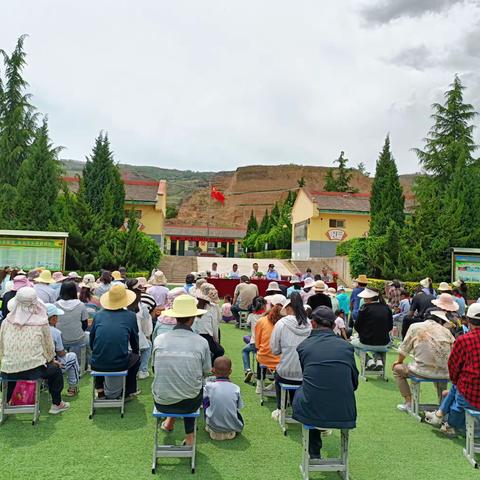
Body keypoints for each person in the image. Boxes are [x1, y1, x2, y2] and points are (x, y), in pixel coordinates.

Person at [293, 306, 358, 460]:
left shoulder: (304, 347)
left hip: (312, 408)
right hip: (345, 411)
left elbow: (307, 378)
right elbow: (354, 383)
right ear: (334, 325)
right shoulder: (346, 347)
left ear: (313, 324)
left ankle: (314, 452)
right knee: (315, 392)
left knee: (307, 392)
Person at [152, 294, 211, 446]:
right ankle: (190, 435)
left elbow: (154, 369)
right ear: (192, 318)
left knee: (181, 382)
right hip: (189, 402)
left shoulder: (160, 339)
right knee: (193, 386)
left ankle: (169, 421)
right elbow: (206, 371)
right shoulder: (201, 342)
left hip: (162, 401)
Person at [0, 287, 70, 414]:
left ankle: (4, 402)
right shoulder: (41, 322)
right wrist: (52, 362)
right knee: (55, 371)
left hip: (7, 369)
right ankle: (57, 403)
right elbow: (49, 349)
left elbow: (2, 346)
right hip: (34, 370)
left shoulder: (6, 321)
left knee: (12, 370)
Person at [424, 303, 480, 434]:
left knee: (457, 385)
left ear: (468, 320)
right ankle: (439, 414)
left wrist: (456, 383)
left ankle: (440, 415)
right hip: (469, 391)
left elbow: (453, 367)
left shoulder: (463, 340)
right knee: (458, 384)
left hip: (469, 397)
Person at [392, 308, 455, 413]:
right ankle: (442, 406)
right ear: (441, 320)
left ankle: (409, 402)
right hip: (445, 373)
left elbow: (403, 350)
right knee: (440, 371)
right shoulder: (446, 331)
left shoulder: (415, 327)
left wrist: (398, 361)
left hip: (420, 371)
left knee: (397, 369)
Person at [90, 284, 141, 399]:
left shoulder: (98, 315)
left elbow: (92, 339)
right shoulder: (130, 316)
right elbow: (134, 340)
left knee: (99, 354)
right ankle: (128, 391)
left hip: (96, 363)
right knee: (136, 358)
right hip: (119, 363)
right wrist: (136, 352)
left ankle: (100, 389)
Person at [270, 292, 312, 420]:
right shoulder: (310, 324)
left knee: (280, 372)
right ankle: (296, 406)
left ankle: (279, 408)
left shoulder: (281, 323)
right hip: (306, 374)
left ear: (288, 308)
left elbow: (275, 350)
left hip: (285, 374)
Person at [351, 287, 392, 371]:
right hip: (385, 343)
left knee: (352, 343)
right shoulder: (387, 308)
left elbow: (357, 326)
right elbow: (390, 327)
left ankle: (368, 360)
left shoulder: (365, 308)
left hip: (367, 341)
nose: (364, 299)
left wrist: (363, 333)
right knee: (375, 343)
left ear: (369, 297)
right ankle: (378, 359)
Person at [204, 356, 244, 440]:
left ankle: (211, 424)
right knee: (235, 408)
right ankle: (230, 425)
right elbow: (239, 406)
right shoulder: (236, 388)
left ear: (213, 370)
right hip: (232, 428)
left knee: (205, 400)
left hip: (213, 426)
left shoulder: (209, 386)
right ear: (230, 372)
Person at [46, 303, 80, 396]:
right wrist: (65, 352)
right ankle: (72, 387)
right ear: (53, 318)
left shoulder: (36, 329)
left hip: (37, 365)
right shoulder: (55, 332)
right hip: (52, 366)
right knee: (72, 356)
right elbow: (61, 353)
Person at [255, 294, 286, 394]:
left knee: (259, 354)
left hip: (265, 357)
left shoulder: (261, 321)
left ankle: (260, 384)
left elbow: (257, 344)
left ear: (270, 305)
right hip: (283, 359)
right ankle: (275, 382)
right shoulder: (288, 322)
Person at [55, 281, 90, 365]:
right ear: (74, 291)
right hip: (77, 339)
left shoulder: (55, 305)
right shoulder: (81, 305)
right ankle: (86, 363)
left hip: (60, 340)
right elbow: (84, 325)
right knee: (88, 336)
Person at [127, 279, 153, 380]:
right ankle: (143, 370)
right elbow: (146, 328)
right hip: (135, 338)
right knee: (148, 345)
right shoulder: (142, 308)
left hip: (121, 338)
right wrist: (147, 336)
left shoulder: (120, 305)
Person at [193, 283, 224, 360]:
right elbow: (215, 325)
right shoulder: (211, 308)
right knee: (220, 351)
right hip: (206, 336)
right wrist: (216, 340)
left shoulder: (195, 304)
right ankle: (213, 367)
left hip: (194, 335)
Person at [242, 296, 267, 382]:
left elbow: (248, 324)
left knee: (244, 350)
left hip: (255, 343)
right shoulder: (267, 316)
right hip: (266, 344)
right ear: (264, 305)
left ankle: (247, 370)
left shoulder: (251, 315)